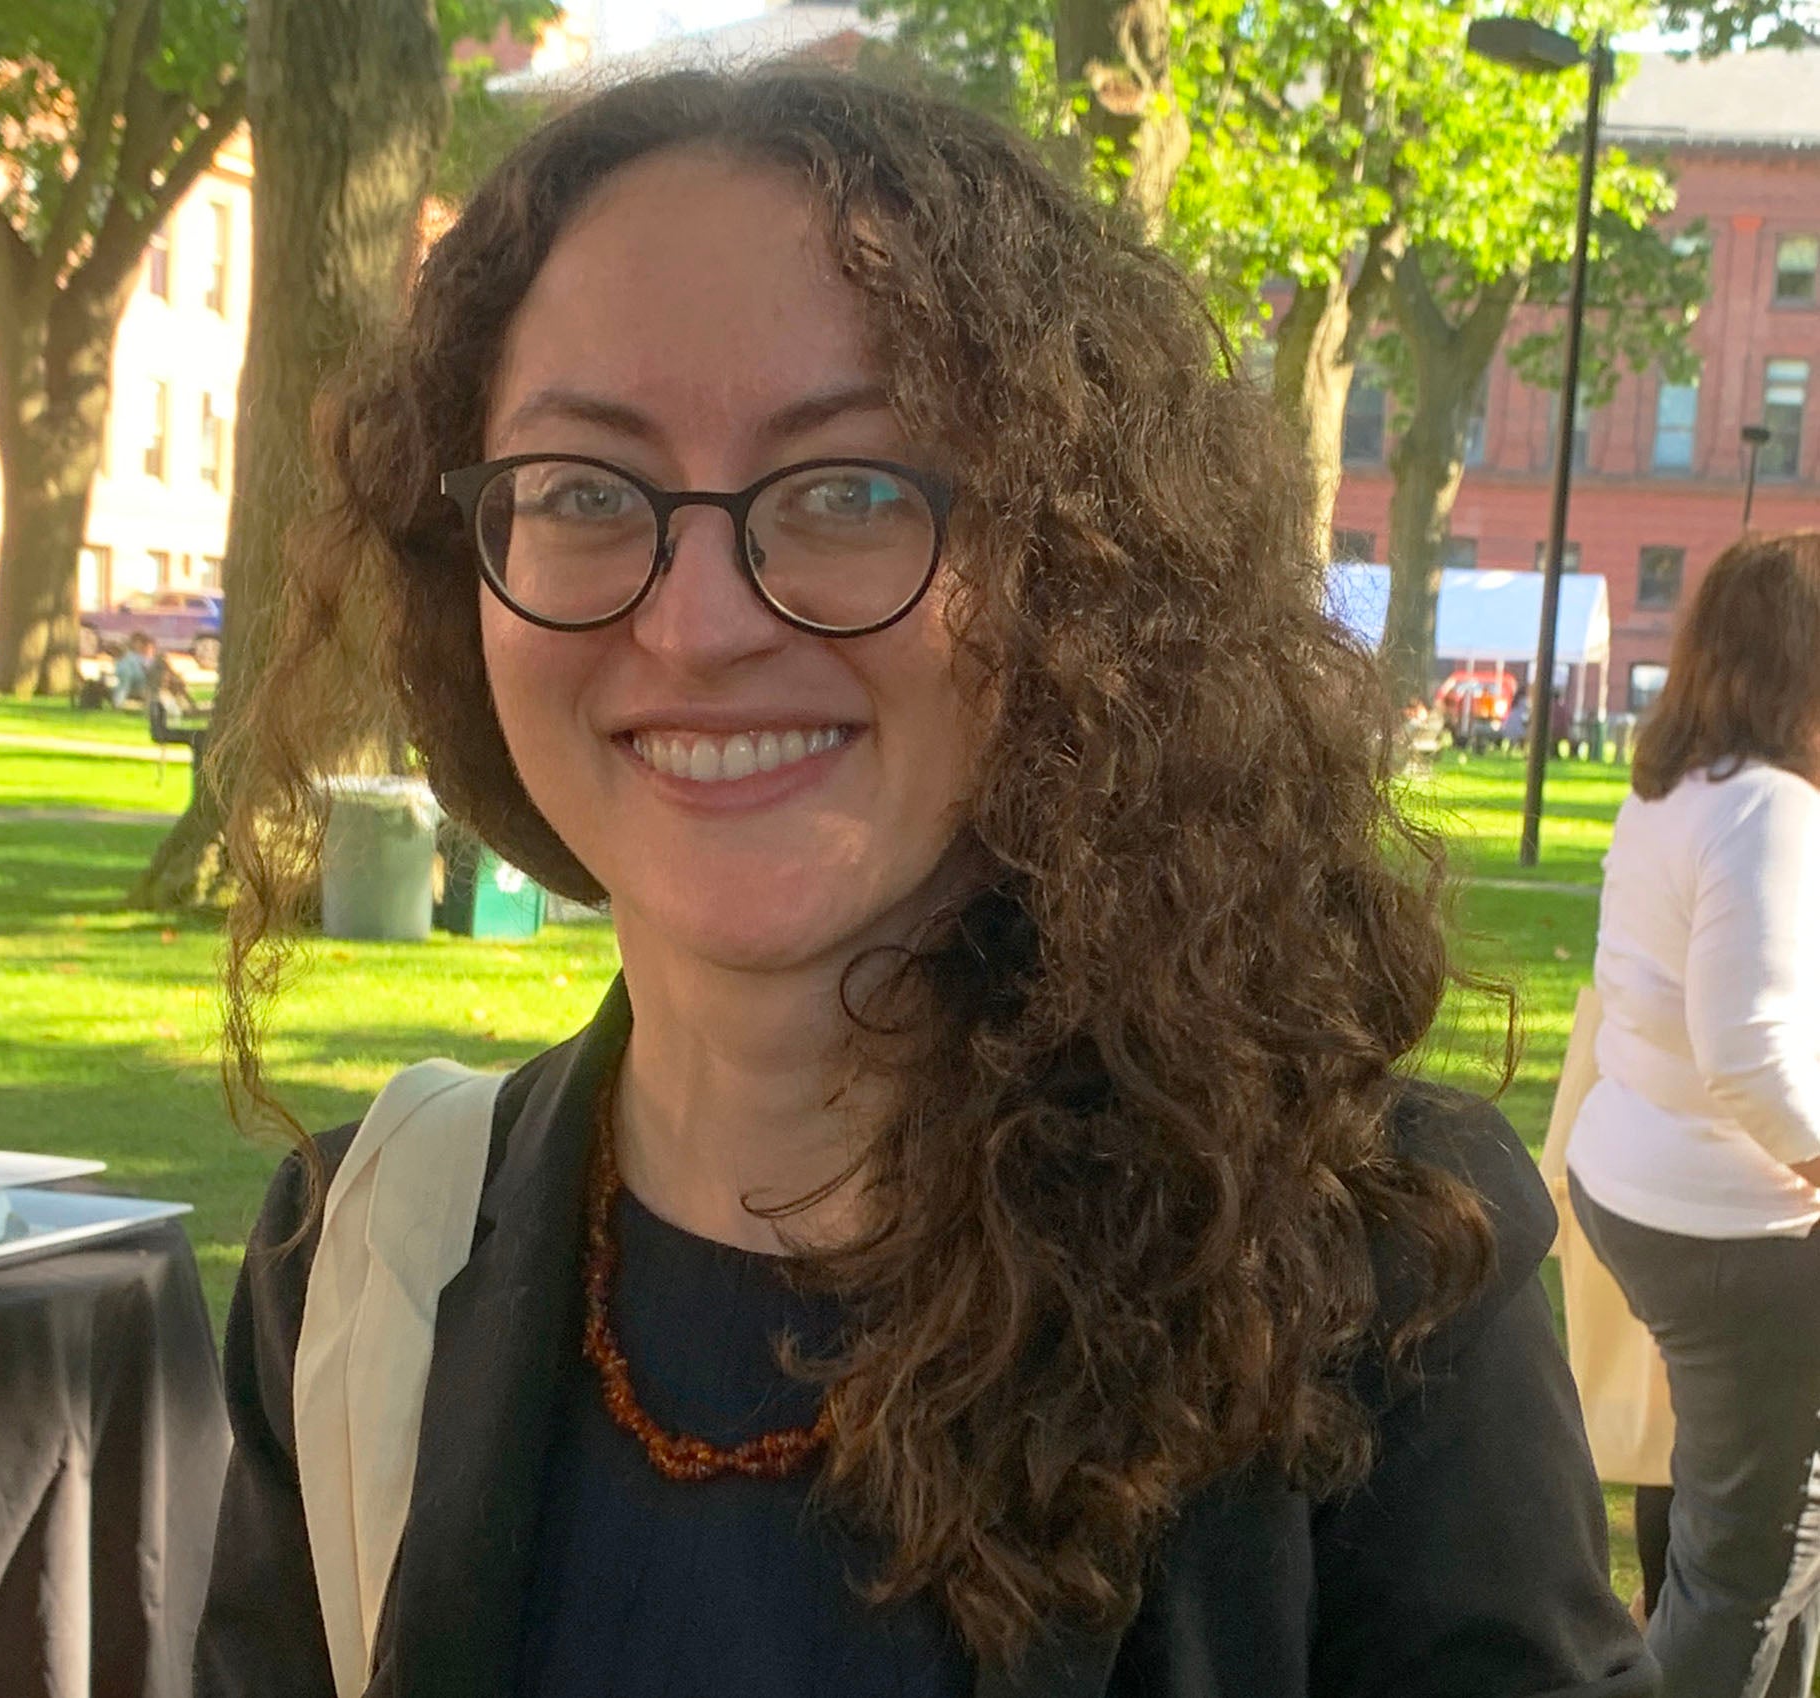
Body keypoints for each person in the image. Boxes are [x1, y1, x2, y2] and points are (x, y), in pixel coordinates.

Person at [197, 69, 1646, 1696]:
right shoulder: (364, 1262)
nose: (695, 624)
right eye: (589, 492)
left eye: (848, 489)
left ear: (1069, 568)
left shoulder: (1362, 1268)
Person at [1566, 529, 1820, 1698]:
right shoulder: (1767, 810)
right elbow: (1751, 1049)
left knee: (1747, 1539)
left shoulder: (1684, 787)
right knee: (1752, 1564)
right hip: (1738, 1228)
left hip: (1652, 1191)